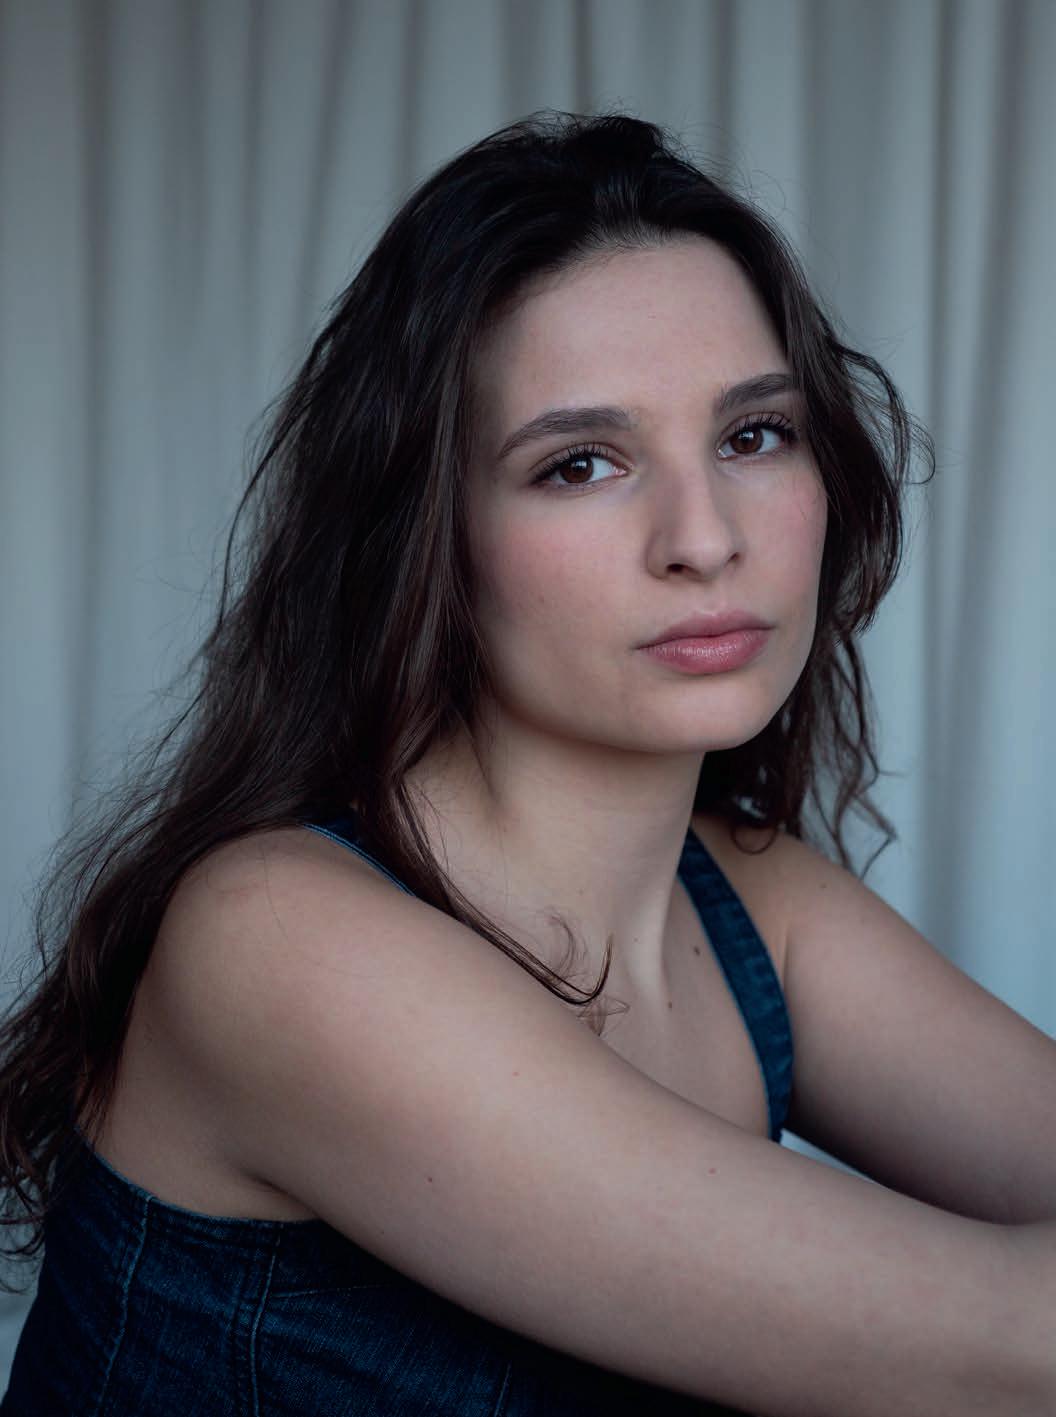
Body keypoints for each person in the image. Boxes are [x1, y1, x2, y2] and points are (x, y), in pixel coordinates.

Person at [0, 110, 1053, 1417]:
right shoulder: (277, 940)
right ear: (427, 534)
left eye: (753, 436)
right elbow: (1007, 1352)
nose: (704, 538)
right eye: (581, 463)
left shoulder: (751, 904)